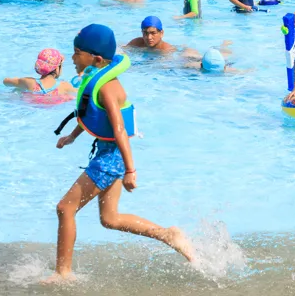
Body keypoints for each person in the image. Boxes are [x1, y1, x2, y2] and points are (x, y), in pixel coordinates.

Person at [49, 23, 194, 282]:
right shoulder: (96, 79)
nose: (72, 57)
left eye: (76, 52)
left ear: (94, 58)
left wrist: (130, 170)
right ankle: (167, 235)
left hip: (112, 157)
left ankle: (63, 273)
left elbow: (118, 130)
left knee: (65, 208)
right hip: (108, 152)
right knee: (110, 219)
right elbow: (91, 115)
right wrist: (72, 136)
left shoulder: (107, 88)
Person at [4, 48, 73, 103]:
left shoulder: (29, 82)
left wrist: (17, 80)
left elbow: (6, 81)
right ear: (57, 68)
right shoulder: (64, 86)